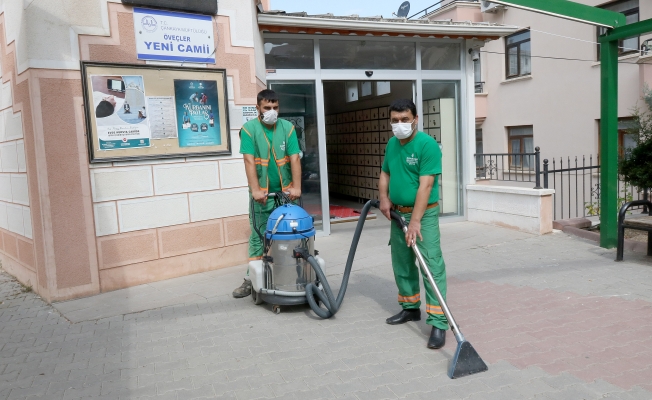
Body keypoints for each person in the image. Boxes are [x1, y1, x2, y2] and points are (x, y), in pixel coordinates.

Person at [379, 98, 449, 350]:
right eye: (395, 121)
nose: (400, 125)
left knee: (431, 265)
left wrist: (416, 221)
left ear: (415, 119)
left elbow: (426, 185)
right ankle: (410, 308)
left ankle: (439, 322)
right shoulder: (391, 144)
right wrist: (384, 198)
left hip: (424, 215)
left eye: (405, 120)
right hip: (398, 214)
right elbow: (385, 172)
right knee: (402, 263)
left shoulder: (427, 145)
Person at [232, 89, 302, 298]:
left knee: (291, 235)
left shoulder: (287, 128)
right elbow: (249, 160)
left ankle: (293, 274)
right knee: (258, 237)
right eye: (267, 108)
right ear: (258, 108)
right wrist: (255, 190)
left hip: (286, 194)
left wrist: (296, 187)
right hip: (261, 195)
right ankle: (251, 279)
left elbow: (294, 158)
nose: (272, 111)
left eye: (275, 107)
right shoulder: (249, 129)